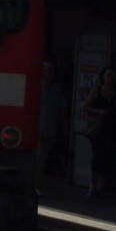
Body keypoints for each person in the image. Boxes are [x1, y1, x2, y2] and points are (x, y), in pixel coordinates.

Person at [81, 66, 116, 197]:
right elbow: (85, 106)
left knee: (108, 156)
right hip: (98, 127)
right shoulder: (97, 90)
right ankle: (92, 185)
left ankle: (101, 186)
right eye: (109, 76)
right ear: (103, 77)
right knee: (97, 155)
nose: (111, 79)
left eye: (113, 76)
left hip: (111, 127)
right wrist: (98, 111)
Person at [36, 60, 68, 194]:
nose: (47, 74)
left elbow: (63, 110)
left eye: (50, 71)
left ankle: (37, 185)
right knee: (39, 159)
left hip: (49, 131)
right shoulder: (35, 87)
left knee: (43, 159)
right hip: (36, 130)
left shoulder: (57, 90)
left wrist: (65, 129)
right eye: (45, 70)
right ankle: (35, 186)